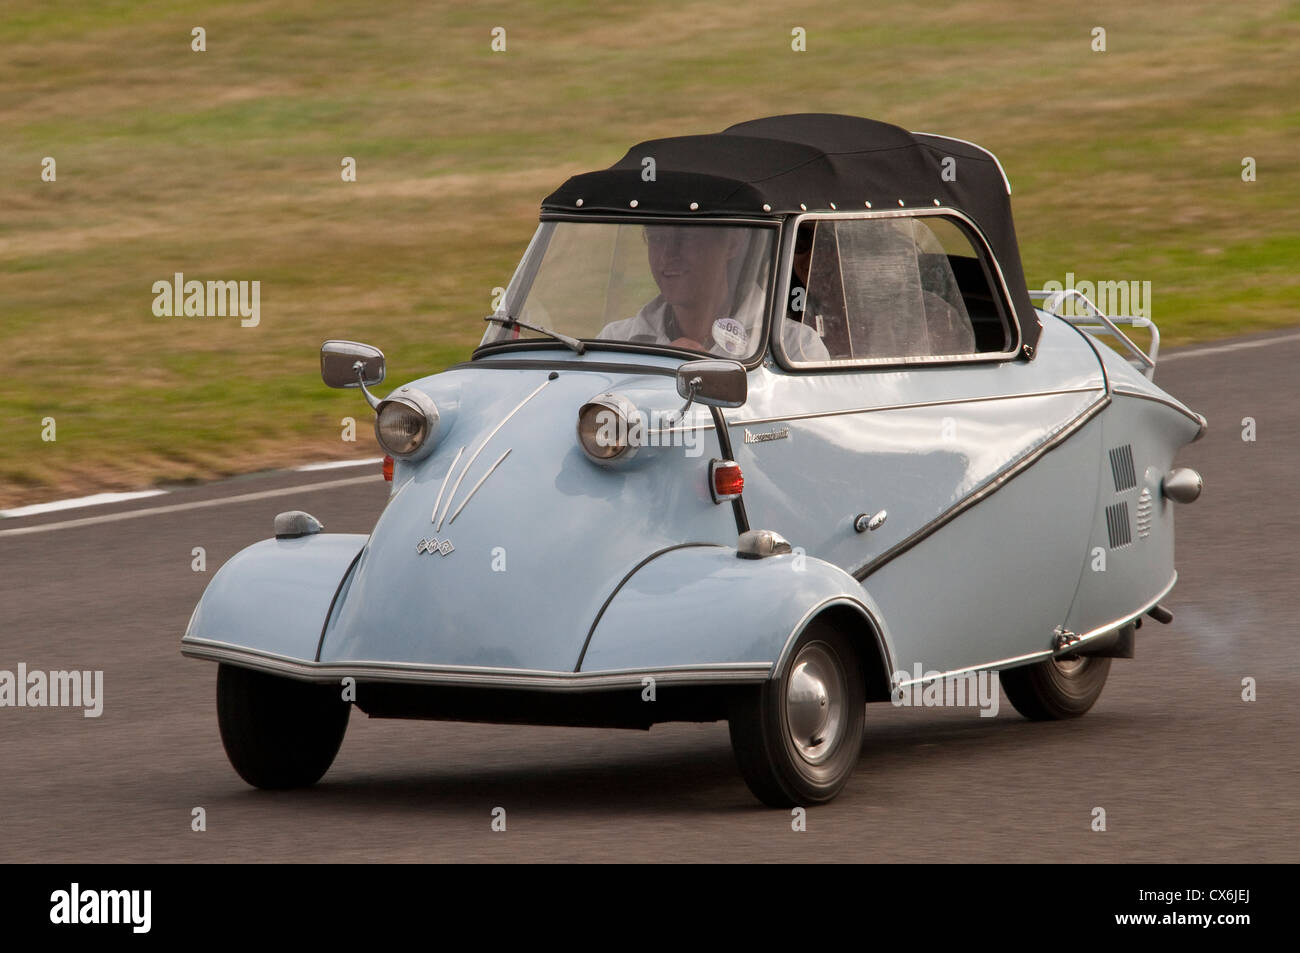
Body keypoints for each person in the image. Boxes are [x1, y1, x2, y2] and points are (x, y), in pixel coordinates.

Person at [598, 225, 829, 361]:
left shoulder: (795, 347)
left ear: (733, 244)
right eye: (657, 238)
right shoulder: (614, 341)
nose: (668, 255)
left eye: (686, 237)